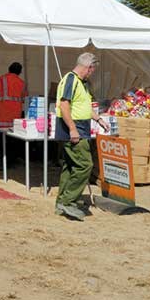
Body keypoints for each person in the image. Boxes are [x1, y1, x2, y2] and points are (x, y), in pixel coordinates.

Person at [54, 52, 108, 221]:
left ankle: (63, 201)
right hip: (75, 130)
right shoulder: (70, 80)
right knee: (85, 164)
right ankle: (68, 201)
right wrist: (72, 129)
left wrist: (98, 119)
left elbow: (83, 105)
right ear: (88, 67)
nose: (92, 73)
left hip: (80, 128)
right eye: (92, 70)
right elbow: (64, 106)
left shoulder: (81, 83)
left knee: (70, 166)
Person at [0, 62, 28, 130]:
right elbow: (25, 99)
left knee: (4, 138)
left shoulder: (2, 80)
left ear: (9, 69)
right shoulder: (22, 83)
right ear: (19, 72)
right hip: (16, 119)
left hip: (3, 119)